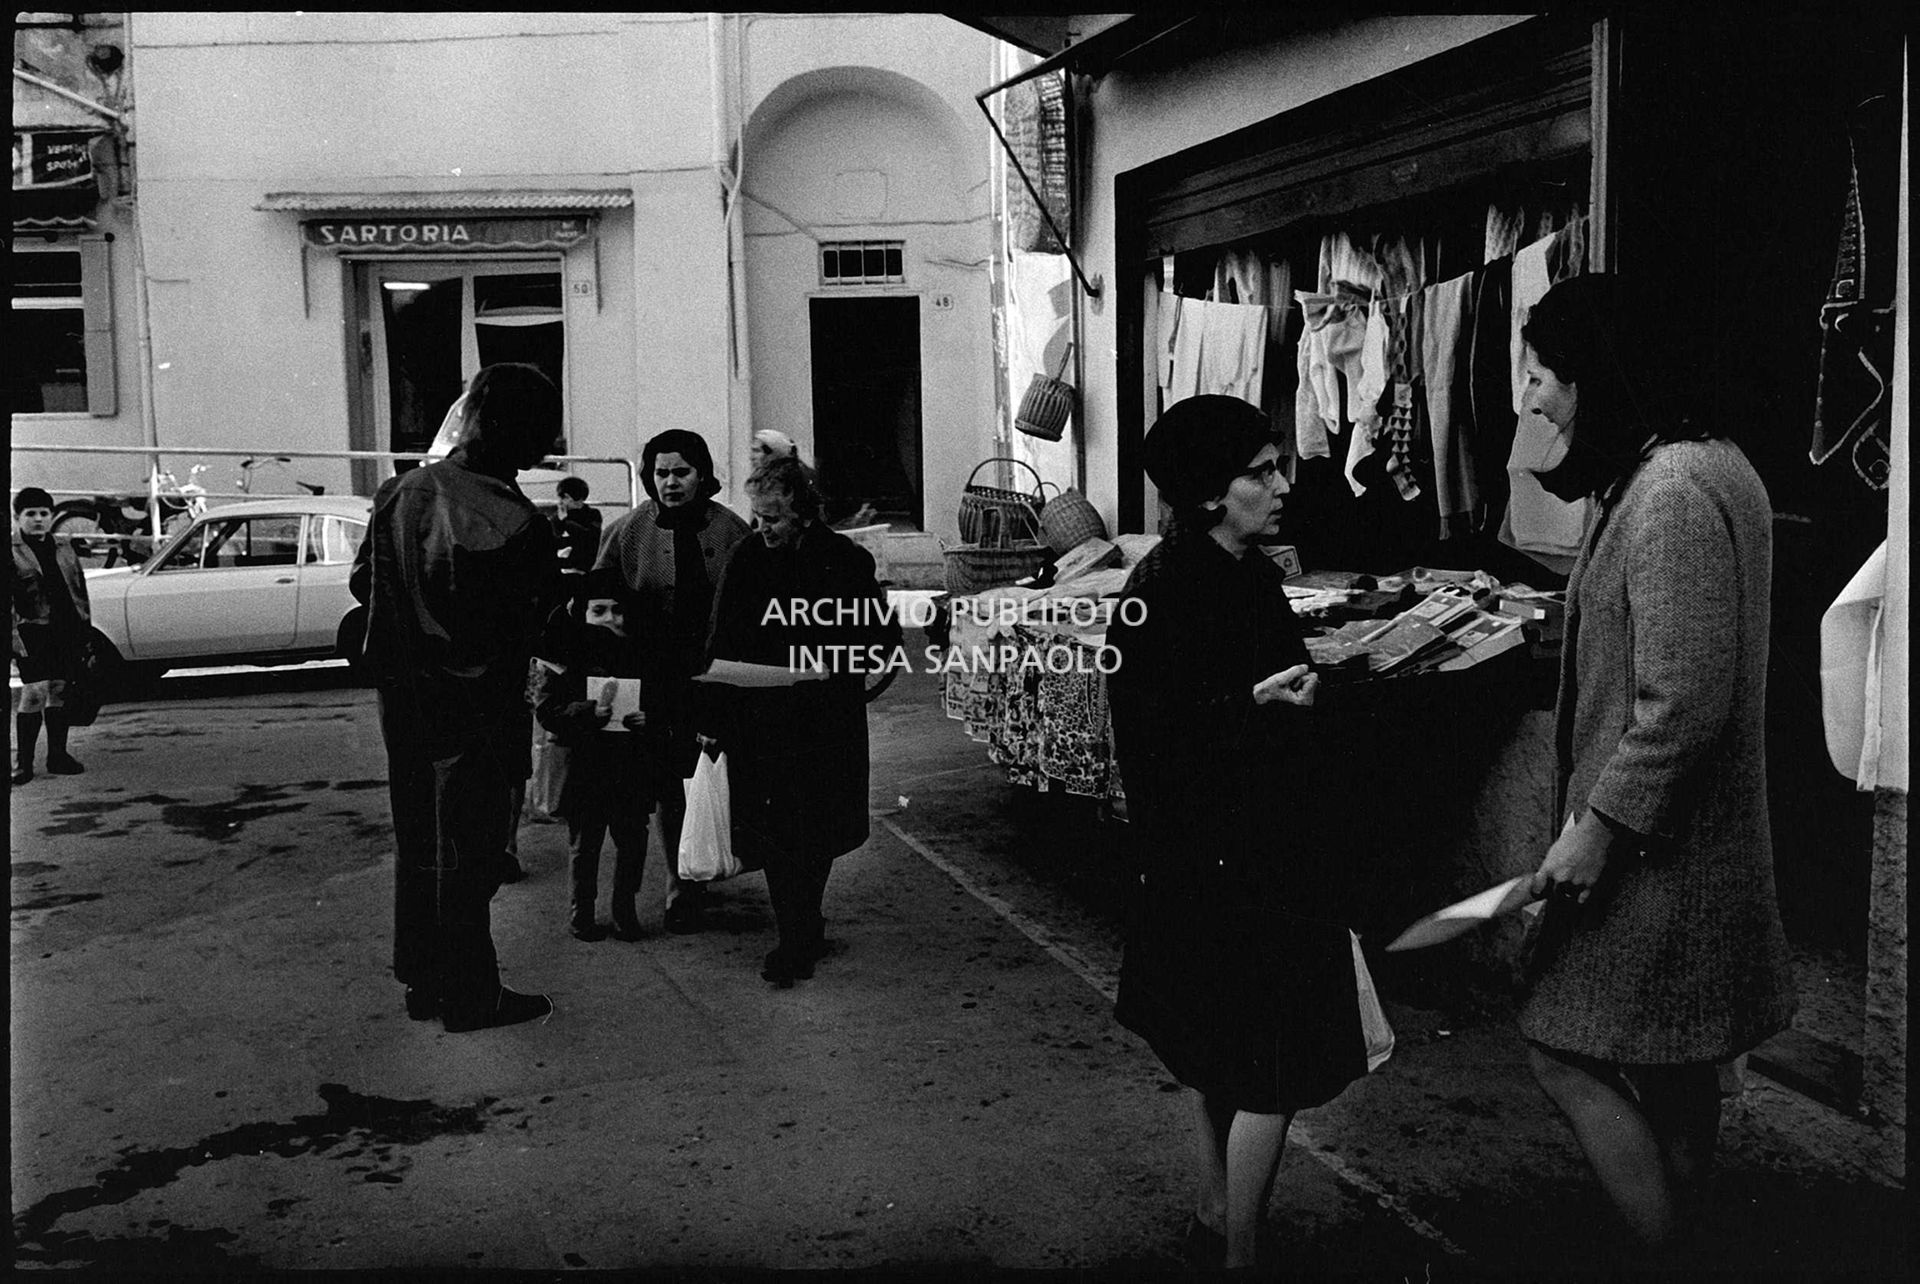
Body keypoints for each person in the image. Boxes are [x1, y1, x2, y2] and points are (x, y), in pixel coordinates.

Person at [1515, 274, 1795, 1254]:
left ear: (1602, 376)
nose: (1532, 398)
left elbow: (1681, 703)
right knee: (1677, 1067)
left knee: (1560, 1045)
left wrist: (1599, 829)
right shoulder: (1693, 466)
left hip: (1659, 859)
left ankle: (1665, 1254)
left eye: (1545, 375)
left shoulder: (1672, 490)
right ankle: (1688, 1227)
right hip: (1689, 853)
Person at [1105, 395, 1366, 1272]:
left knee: (1221, 1050)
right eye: (1262, 471)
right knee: (1271, 1066)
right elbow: (1148, 733)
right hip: (1229, 862)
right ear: (1212, 494)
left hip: (1237, 854)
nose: (1282, 484)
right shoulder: (1164, 588)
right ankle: (1243, 1256)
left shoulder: (1241, 569)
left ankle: (1219, 1215)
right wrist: (1249, 709)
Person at [351, 362, 564, 1033]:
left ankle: (424, 979)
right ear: (525, 433)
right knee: (471, 856)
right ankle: (473, 995)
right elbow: (540, 623)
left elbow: (365, 585)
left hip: (407, 701)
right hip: (477, 705)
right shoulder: (518, 520)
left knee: (419, 843)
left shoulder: (399, 491)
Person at [701, 456, 899, 987]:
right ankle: (796, 933)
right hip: (762, 721)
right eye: (759, 517)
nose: (762, 528)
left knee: (818, 829)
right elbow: (722, 638)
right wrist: (715, 712)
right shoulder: (746, 556)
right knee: (778, 831)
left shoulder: (844, 560)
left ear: (805, 515)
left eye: (774, 519)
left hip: (824, 720)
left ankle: (803, 921)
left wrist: (832, 661)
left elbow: (879, 638)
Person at [594, 429, 751, 933]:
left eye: (681, 472)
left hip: (713, 674)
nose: (670, 482)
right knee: (668, 782)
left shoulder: (733, 532)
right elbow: (598, 603)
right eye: (660, 473)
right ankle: (680, 888)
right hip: (654, 675)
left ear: (703, 475)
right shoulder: (626, 532)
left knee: (711, 768)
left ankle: (707, 865)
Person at [531, 567, 655, 941]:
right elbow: (546, 710)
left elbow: (664, 700)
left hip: (630, 768)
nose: (610, 619)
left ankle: (624, 911)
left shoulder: (640, 654)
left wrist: (649, 718)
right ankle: (581, 914)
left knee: (633, 842)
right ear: (581, 613)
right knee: (585, 847)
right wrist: (587, 713)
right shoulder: (566, 656)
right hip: (587, 769)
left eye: (617, 610)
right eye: (598, 610)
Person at [11, 487, 92, 786]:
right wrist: (13, 641)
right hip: (31, 631)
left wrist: (85, 629)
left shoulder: (64, 548)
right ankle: (23, 763)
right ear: (18, 517)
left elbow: (79, 591)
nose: (38, 520)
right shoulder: (11, 551)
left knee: (59, 689)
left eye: (44, 514)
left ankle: (57, 755)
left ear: (51, 516)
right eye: (30, 514)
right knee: (34, 693)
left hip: (66, 628)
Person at [553, 475, 602, 580]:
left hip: (585, 565)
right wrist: (559, 520)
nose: (560, 501)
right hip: (565, 564)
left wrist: (565, 522)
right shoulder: (559, 515)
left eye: (564, 497)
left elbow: (590, 537)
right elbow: (554, 537)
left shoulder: (592, 514)